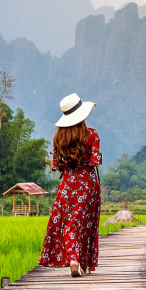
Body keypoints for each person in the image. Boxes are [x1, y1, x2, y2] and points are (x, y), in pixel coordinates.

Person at [39, 92, 102, 278]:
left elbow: (56, 165)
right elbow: (95, 161)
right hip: (88, 184)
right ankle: (80, 261)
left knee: (69, 223)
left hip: (67, 185)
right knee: (86, 223)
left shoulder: (59, 137)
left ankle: (74, 260)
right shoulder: (92, 134)